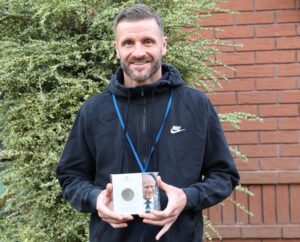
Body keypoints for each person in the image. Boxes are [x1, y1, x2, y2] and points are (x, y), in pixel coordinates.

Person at [56, 3, 239, 242]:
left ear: (163, 45)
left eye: (148, 41)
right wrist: (95, 198)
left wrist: (188, 196)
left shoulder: (196, 106)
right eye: (128, 43)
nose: (138, 52)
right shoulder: (94, 110)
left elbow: (224, 175)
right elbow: (70, 176)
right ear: (117, 49)